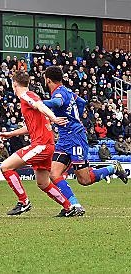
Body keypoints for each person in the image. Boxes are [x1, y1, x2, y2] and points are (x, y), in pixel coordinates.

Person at [42, 66, 127, 214]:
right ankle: (74, 206)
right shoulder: (68, 91)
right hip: (65, 138)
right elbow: (81, 102)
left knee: (84, 180)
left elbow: (56, 103)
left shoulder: (59, 93)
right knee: (54, 174)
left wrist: (38, 103)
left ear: (48, 79)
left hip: (75, 138)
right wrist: (76, 118)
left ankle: (113, 168)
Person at [0, 71, 75, 217]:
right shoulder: (29, 99)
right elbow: (31, 126)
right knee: (43, 183)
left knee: (6, 167)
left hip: (41, 145)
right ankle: (68, 207)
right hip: (47, 145)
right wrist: (11, 133)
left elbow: (41, 106)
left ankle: (23, 202)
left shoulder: (27, 96)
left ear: (14, 83)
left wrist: (54, 118)